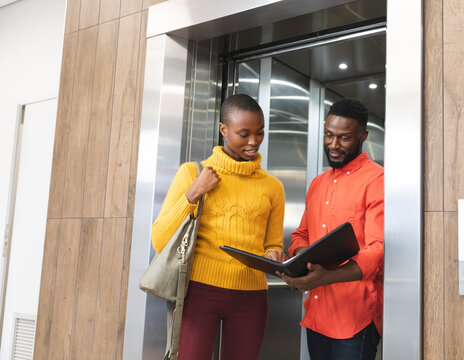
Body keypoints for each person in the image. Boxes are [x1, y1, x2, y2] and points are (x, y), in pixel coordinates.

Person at [151, 94, 287, 360]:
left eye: (259, 133)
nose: (254, 142)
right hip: (199, 292)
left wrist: (274, 254)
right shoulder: (192, 172)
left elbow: (272, 244)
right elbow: (160, 240)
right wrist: (193, 194)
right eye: (244, 133)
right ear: (223, 130)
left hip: (252, 296)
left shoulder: (273, 187)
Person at [279, 99, 384, 360]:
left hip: (355, 318)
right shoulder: (317, 184)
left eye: (344, 138)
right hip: (316, 313)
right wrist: (304, 259)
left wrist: (325, 276)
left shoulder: (377, 180)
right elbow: (301, 235)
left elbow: (378, 250)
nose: (333, 145)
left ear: (363, 136)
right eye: (329, 135)